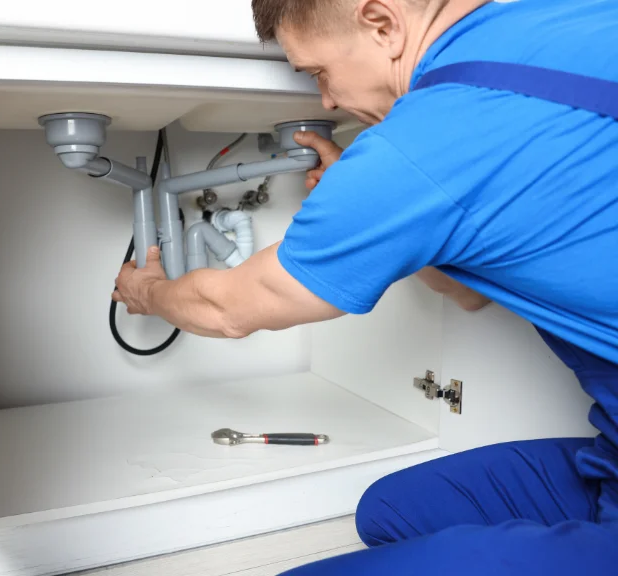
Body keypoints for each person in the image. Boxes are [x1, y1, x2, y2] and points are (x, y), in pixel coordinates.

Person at [112, 0, 618, 573]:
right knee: (391, 512)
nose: (325, 100)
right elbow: (470, 289)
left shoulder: (421, 141)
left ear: (382, 23)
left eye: (316, 72)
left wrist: (146, 292)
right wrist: (393, 214)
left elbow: (231, 309)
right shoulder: (570, 16)